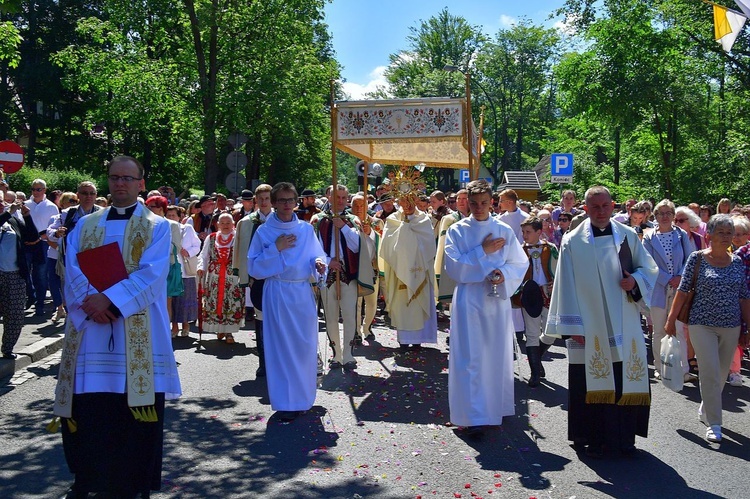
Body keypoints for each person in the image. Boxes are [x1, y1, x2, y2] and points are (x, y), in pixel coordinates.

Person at [53, 156, 181, 498]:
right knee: (92, 409)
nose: (119, 183)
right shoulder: (86, 225)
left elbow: (152, 276)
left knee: (134, 412)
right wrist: (90, 302)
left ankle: (135, 482)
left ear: (141, 182)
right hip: (90, 331)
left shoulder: (157, 227)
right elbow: (72, 266)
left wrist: (107, 301)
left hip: (136, 331)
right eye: (114, 177)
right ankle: (88, 478)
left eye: (127, 178)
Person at [544, 186, 658, 458]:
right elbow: (565, 286)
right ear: (585, 208)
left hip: (623, 325)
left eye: (605, 205)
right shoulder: (573, 241)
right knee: (589, 381)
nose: (600, 211)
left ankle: (624, 439)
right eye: (594, 207)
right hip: (589, 326)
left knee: (623, 379)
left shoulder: (628, 236)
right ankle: (591, 438)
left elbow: (649, 269)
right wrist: (574, 327)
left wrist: (635, 281)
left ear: (613, 205)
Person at [443, 179, 528, 435]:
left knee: (494, 354)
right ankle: (471, 413)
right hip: (469, 300)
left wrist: (503, 274)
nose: (478, 208)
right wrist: (482, 250)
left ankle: (493, 409)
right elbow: (454, 267)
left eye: (483, 203)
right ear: (467, 203)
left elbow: (519, 263)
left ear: (491, 202)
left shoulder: (504, 230)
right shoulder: (457, 230)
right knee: (470, 357)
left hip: (495, 301)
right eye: (473, 203)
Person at [666, 215, 750, 443]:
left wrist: (747, 327)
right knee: (710, 371)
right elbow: (683, 291)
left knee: (721, 374)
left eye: (729, 232)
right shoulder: (697, 259)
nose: (726, 236)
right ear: (709, 236)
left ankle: (707, 406)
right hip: (701, 324)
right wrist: (671, 320)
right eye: (721, 232)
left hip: (731, 326)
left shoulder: (737, 262)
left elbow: (744, 297)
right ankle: (715, 423)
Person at [247, 182, 327, 422]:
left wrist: (319, 264)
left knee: (304, 346)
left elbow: (317, 255)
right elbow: (254, 266)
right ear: (272, 202)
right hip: (278, 291)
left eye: (290, 200)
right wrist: (276, 248)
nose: (286, 205)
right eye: (281, 200)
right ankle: (286, 402)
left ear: (296, 202)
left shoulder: (305, 229)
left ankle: (304, 398)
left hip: (301, 292)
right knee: (281, 347)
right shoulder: (264, 232)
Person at [379, 167, 437, 348]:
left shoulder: (424, 220)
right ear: (399, 201)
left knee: (418, 306)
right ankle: (404, 341)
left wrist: (409, 233)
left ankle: (419, 340)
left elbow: (429, 246)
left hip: (421, 269)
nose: (408, 204)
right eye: (404, 200)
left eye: (411, 199)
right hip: (400, 271)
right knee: (404, 305)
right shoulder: (393, 220)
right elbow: (387, 247)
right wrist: (404, 230)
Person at [313, 185, 369, 369]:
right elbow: (314, 249)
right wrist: (329, 261)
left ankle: (348, 354)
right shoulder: (319, 221)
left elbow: (357, 246)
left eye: (344, 197)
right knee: (330, 316)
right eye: (337, 197)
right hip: (328, 275)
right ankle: (336, 354)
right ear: (328, 197)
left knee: (349, 315)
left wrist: (343, 227)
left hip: (348, 274)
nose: (341, 201)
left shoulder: (352, 220)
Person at [643, 199, 694, 382]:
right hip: (658, 289)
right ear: (655, 216)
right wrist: (666, 279)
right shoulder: (649, 237)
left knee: (679, 329)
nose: (664, 217)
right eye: (661, 213)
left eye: (668, 213)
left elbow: (691, 259)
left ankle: (683, 369)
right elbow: (647, 263)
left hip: (679, 289)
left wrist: (680, 277)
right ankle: (660, 367)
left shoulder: (681, 235)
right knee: (659, 330)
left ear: (673, 216)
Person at [232, 183, 274, 376]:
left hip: (278, 277)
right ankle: (263, 362)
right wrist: (243, 275)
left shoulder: (280, 220)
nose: (264, 202)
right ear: (255, 201)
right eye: (261, 199)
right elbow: (239, 250)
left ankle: (277, 360)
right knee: (260, 318)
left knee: (277, 319)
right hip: (256, 278)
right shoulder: (246, 222)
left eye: (267, 198)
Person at [46, 182, 102, 323]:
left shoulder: (103, 213)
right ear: (78, 195)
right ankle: (74, 322)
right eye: (84, 193)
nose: (88, 196)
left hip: (96, 261)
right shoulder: (68, 213)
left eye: (92, 193)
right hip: (73, 262)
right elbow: (50, 230)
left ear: (96, 196)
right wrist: (58, 233)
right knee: (75, 293)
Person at [518, 217, 558, 387]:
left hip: (548, 294)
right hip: (530, 295)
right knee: (532, 333)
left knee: (552, 332)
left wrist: (555, 281)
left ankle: (537, 359)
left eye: (528, 232)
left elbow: (558, 270)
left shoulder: (551, 249)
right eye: (523, 232)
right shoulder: (519, 251)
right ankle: (535, 373)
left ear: (538, 232)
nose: (524, 235)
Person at [198, 213, 244, 344]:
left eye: (228, 223)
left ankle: (229, 332)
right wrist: (201, 267)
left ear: (233, 224)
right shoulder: (211, 238)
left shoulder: (238, 238)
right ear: (217, 224)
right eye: (222, 223)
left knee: (230, 301)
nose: (225, 226)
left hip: (233, 277)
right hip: (215, 277)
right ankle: (220, 328)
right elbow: (204, 255)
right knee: (216, 301)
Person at [0, 200, 38, 359]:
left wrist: (27, 217)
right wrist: (8, 212)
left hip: (15, 274)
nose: (2, 204)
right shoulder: (6, 216)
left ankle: (7, 348)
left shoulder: (12, 221)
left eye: (2, 201)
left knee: (15, 314)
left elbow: (32, 237)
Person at [24, 178, 60, 316]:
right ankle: (31, 296)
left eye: (38, 189)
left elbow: (52, 228)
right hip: (27, 244)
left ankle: (40, 303)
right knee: (25, 273)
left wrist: (39, 238)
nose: (35, 192)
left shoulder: (51, 207)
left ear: (44, 190)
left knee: (40, 275)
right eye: (33, 189)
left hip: (43, 244)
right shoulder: (26, 204)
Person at [351, 193, 383, 342]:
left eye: (361, 205)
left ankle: (367, 327)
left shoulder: (376, 222)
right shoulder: (348, 222)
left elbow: (383, 242)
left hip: (372, 267)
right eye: (355, 205)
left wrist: (370, 232)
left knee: (371, 302)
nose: (358, 208)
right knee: (355, 302)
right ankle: (356, 330)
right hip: (354, 268)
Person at [166, 205, 201, 337]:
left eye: (173, 215)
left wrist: (189, 252)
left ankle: (185, 325)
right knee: (172, 300)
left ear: (180, 217)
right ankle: (174, 327)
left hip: (185, 270)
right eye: (168, 216)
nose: (171, 218)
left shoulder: (187, 228)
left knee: (185, 299)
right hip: (171, 269)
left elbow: (197, 245)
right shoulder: (164, 229)